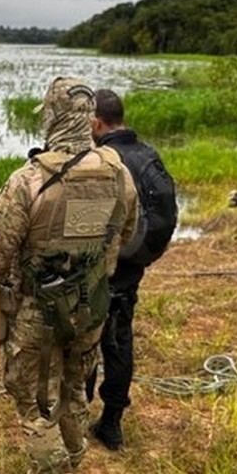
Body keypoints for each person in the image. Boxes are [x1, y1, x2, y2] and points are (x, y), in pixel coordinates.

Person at [0, 77, 136, 474]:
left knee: (35, 403)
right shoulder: (118, 172)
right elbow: (127, 230)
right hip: (90, 305)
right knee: (75, 390)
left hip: (38, 311)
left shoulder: (29, 180)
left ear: (52, 116)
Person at [85, 88, 172, 450]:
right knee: (120, 343)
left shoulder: (103, 160)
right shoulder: (148, 154)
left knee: (87, 344)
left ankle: (80, 413)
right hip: (132, 266)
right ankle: (112, 423)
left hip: (102, 270)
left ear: (95, 122)